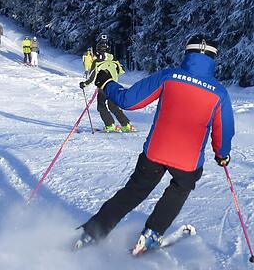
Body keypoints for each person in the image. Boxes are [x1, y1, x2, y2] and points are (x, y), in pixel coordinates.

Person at [74, 35, 235, 255]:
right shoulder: (219, 92)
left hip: (155, 152)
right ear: (213, 59)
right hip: (188, 161)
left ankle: (94, 231)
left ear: (187, 53)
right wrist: (222, 154)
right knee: (180, 188)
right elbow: (224, 130)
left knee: (134, 191)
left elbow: (129, 100)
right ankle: (151, 235)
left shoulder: (169, 76)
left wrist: (106, 83)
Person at [79, 40, 133, 133]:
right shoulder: (114, 59)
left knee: (101, 106)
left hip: (103, 87)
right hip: (114, 87)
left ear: (98, 50)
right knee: (113, 107)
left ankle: (110, 125)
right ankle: (126, 124)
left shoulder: (97, 62)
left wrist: (84, 84)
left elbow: (92, 77)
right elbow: (121, 71)